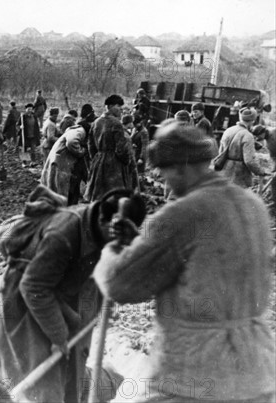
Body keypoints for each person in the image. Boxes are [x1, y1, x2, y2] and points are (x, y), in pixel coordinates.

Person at [93, 123, 275, 402]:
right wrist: (139, 243)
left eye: (165, 171)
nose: (164, 181)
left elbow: (120, 283)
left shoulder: (182, 213)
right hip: (256, 370)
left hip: (194, 371)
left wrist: (114, 250)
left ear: (180, 167)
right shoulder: (253, 205)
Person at [0, 185, 146, 403]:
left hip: (70, 295)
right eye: (114, 236)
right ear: (103, 220)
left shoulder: (111, 232)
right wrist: (58, 335)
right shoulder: (62, 233)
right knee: (43, 385)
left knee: (73, 379)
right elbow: (34, 287)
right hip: (27, 301)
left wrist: (131, 246)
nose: (115, 243)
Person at [85, 95, 134, 202]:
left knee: (98, 196)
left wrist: (96, 159)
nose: (121, 109)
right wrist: (126, 161)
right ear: (110, 106)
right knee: (114, 197)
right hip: (114, 164)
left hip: (98, 162)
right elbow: (121, 149)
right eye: (118, 106)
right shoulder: (116, 123)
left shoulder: (96, 122)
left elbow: (90, 145)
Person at [41, 117, 89, 205]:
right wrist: (82, 151)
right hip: (61, 163)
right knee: (62, 193)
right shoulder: (80, 131)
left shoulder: (74, 130)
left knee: (60, 192)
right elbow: (71, 142)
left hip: (59, 162)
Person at [218, 107, 268, 188]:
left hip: (225, 170)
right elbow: (249, 161)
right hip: (239, 174)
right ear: (253, 121)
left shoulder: (228, 130)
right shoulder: (248, 135)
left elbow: (221, 152)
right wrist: (260, 171)